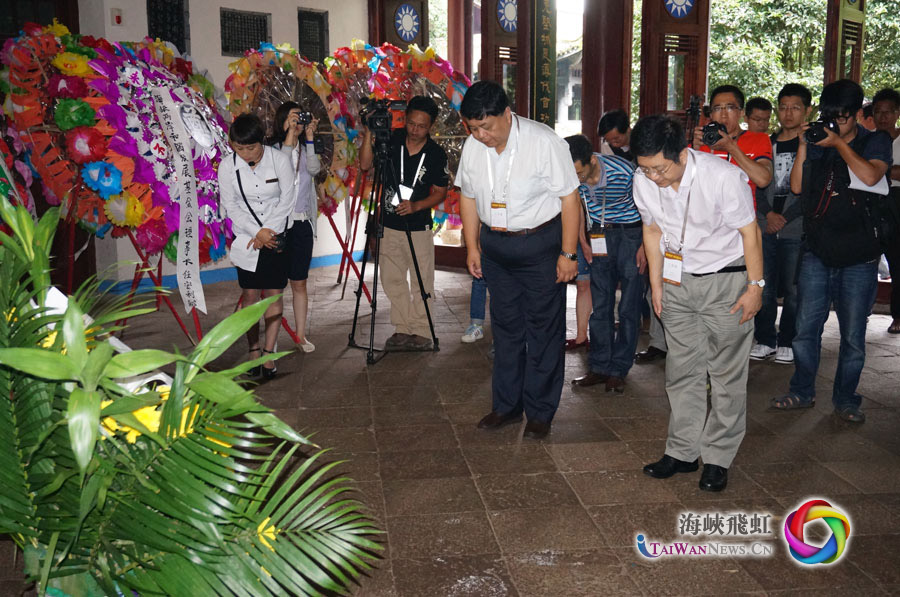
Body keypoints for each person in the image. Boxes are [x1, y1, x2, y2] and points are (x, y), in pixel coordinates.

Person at [632, 115, 763, 492]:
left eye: (659, 168)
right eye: (645, 169)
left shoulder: (722, 177)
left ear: (682, 153)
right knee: (682, 368)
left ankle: (718, 457)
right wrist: (656, 284)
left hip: (726, 280)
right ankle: (683, 451)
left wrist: (755, 287)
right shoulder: (643, 179)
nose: (653, 177)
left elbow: (750, 232)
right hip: (677, 282)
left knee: (725, 373)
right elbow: (652, 230)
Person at [457, 80, 581, 440]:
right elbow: (468, 197)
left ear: (507, 114)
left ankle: (540, 411)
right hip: (496, 248)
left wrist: (568, 253)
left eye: (486, 127)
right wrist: (472, 247)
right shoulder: (473, 146)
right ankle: (507, 406)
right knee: (506, 329)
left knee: (543, 330)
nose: (480, 135)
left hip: (539, 245)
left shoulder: (544, 142)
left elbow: (570, 199)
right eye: (473, 128)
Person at [771, 80, 893, 423]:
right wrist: (804, 146)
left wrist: (838, 143)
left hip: (860, 254)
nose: (835, 123)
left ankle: (846, 400)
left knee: (852, 335)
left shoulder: (875, 140)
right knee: (806, 329)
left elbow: (871, 176)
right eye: (830, 116)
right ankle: (802, 390)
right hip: (817, 250)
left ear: (857, 114)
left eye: (842, 117)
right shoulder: (818, 141)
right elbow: (797, 186)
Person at [359, 95, 449, 352]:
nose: (415, 130)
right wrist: (370, 131)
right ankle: (402, 327)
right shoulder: (392, 139)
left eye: (421, 126)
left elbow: (441, 192)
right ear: (405, 118)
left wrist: (417, 206)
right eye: (411, 123)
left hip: (419, 225)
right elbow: (365, 164)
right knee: (391, 278)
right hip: (389, 224)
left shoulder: (436, 154)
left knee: (422, 281)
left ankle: (422, 330)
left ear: (431, 126)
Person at [218, 113, 296, 378]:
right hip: (247, 238)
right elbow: (231, 206)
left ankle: (269, 353)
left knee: (273, 294)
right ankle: (253, 349)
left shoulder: (279, 160)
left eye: (250, 148)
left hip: (275, 236)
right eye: (238, 148)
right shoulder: (227, 166)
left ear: (261, 141)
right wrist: (257, 232)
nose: (245, 154)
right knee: (250, 297)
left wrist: (267, 232)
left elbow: (287, 199)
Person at [566, 134, 644, 393]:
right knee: (600, 305)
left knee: (628, 307)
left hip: (630, 234)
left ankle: (619, 369)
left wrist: (645, 246)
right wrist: (583, 241)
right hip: (599, 235)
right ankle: (599, 366)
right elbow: (577, 205)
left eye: (580, 173)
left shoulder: (625, 171)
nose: (577, 178)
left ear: (592, 160)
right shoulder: (570, 173)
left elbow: (648, 206)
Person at [751, 84, 813, 364]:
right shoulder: (765, 143)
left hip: (795, 227)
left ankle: (787, 339)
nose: (788, 113)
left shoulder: (812, 145)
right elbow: (752, 183)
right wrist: (768, 215)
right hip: (765, 224)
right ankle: (765, 339)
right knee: (762, 285)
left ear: (807, 110)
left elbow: (812, 190)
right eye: (784, 107)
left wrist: (784, 217)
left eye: (795, 108)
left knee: (793, 289)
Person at [271, 102, 321, 353]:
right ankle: (271, 341)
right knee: (275, 286)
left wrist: (309, 139)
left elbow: (314, 169)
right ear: (282, 120)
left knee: (299, 282)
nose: (297, 122)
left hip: (301, 223)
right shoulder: (272, 151)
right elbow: (282, 168)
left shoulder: (305, 148)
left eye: (300, 118)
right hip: (278, 225)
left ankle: (300, 335)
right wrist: (290, 135)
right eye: (292, 118)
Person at [694, 84, 773, 207]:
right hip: (706, 215)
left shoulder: (759, 139)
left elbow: (763, 180)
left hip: (743, 216)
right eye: (717, 109)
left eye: (730, 108)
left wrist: (731, 147)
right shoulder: (702, 141)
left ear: (741, 112)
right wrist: (694, 151)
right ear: (711, 114)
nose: (723, 115)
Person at [872, 87, 900, 334]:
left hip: (896, 203)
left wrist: (878, 169)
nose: (882, 117)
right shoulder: (867, 139)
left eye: (887, 112)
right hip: (871, 201)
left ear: (897, 113)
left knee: (897, 262)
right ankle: (861, 311)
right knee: (866, 260)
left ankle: (897, 315)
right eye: (878, 112)